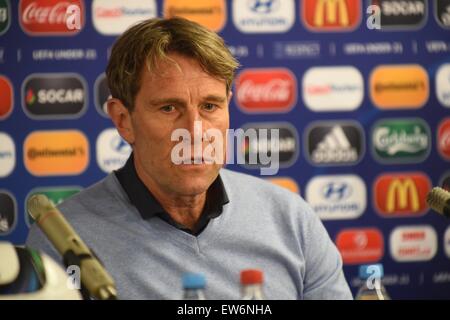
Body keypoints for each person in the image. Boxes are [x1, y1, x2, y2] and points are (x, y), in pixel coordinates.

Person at [26, 17, 353, 300]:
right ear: (124, 119)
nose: (195, 132)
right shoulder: (63, 240)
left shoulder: (291, 220)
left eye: (210, 106)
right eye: (169, 108)